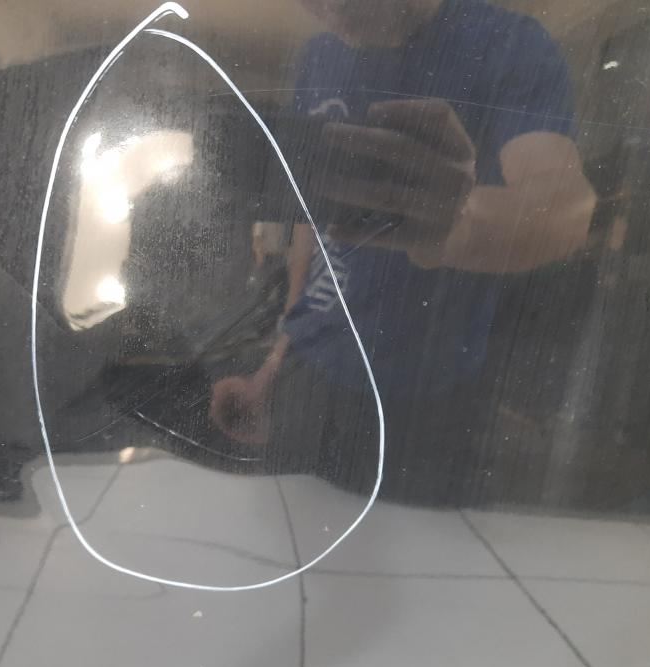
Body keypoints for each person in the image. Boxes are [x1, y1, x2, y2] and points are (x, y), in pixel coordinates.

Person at [209, 0, 596, 498]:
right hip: (308, 371)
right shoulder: (318, 56)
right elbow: (315, 223)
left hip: (425, 398)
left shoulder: (505, 43)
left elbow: (566, 210)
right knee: (289, 537)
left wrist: (453, 224)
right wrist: (275, 362)